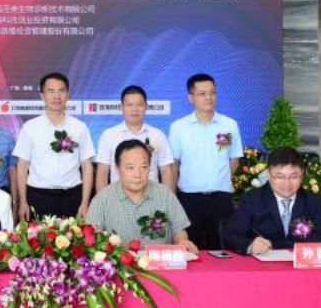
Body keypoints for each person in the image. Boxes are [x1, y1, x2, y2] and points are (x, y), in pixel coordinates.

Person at [168, 73, 243, 250]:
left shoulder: (229, 125)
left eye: (212, 92)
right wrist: (172, 197)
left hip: (221, 199)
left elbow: (234, 160)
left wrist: (218, 180)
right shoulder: (178, 127)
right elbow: (173, 165)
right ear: (190, 97)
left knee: (223, 250)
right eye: (202, 94)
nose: (209, 97)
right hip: (189, 199)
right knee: (189, 250)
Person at [87, 140, 197, 252]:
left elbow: (179, 231)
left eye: (144, 167)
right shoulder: (102, 199)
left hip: (160, 261)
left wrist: (182, 241)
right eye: (130, 168)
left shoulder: (164, 194)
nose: (137, 175)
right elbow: (92, 237)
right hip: (121, 262)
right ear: (117, 168)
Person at [13, 72, 95, 220]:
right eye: (51, 91)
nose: (57, 96)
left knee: (74, 235)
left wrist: (84, 203)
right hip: (38, 196)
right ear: (42, 96)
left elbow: (87, 167)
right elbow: (22, 166)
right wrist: (23, 201)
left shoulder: (79, 127)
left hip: (72, 197)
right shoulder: (30, 127)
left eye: (61, 90)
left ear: (67, 95)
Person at [224, 147, 321, 255]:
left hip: (299, 262)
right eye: (280, 177)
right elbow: (231, 235)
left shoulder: (312, 201)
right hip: (263, 261)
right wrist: (251, 245)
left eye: (293, 177)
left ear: (302, 175)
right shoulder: (252, 199)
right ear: (268, 174)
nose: (287, 183)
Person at [94, 85, 176, 193]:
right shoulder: (108, 135)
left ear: (146, 106)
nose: (135, 109)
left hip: (152, 197)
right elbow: (102, 172)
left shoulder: (157, 135)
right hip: (117, 198)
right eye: (129, 105)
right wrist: (102, 201)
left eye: (139, 104)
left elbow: (166, 170)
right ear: (121, 107)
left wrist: (169, 200)